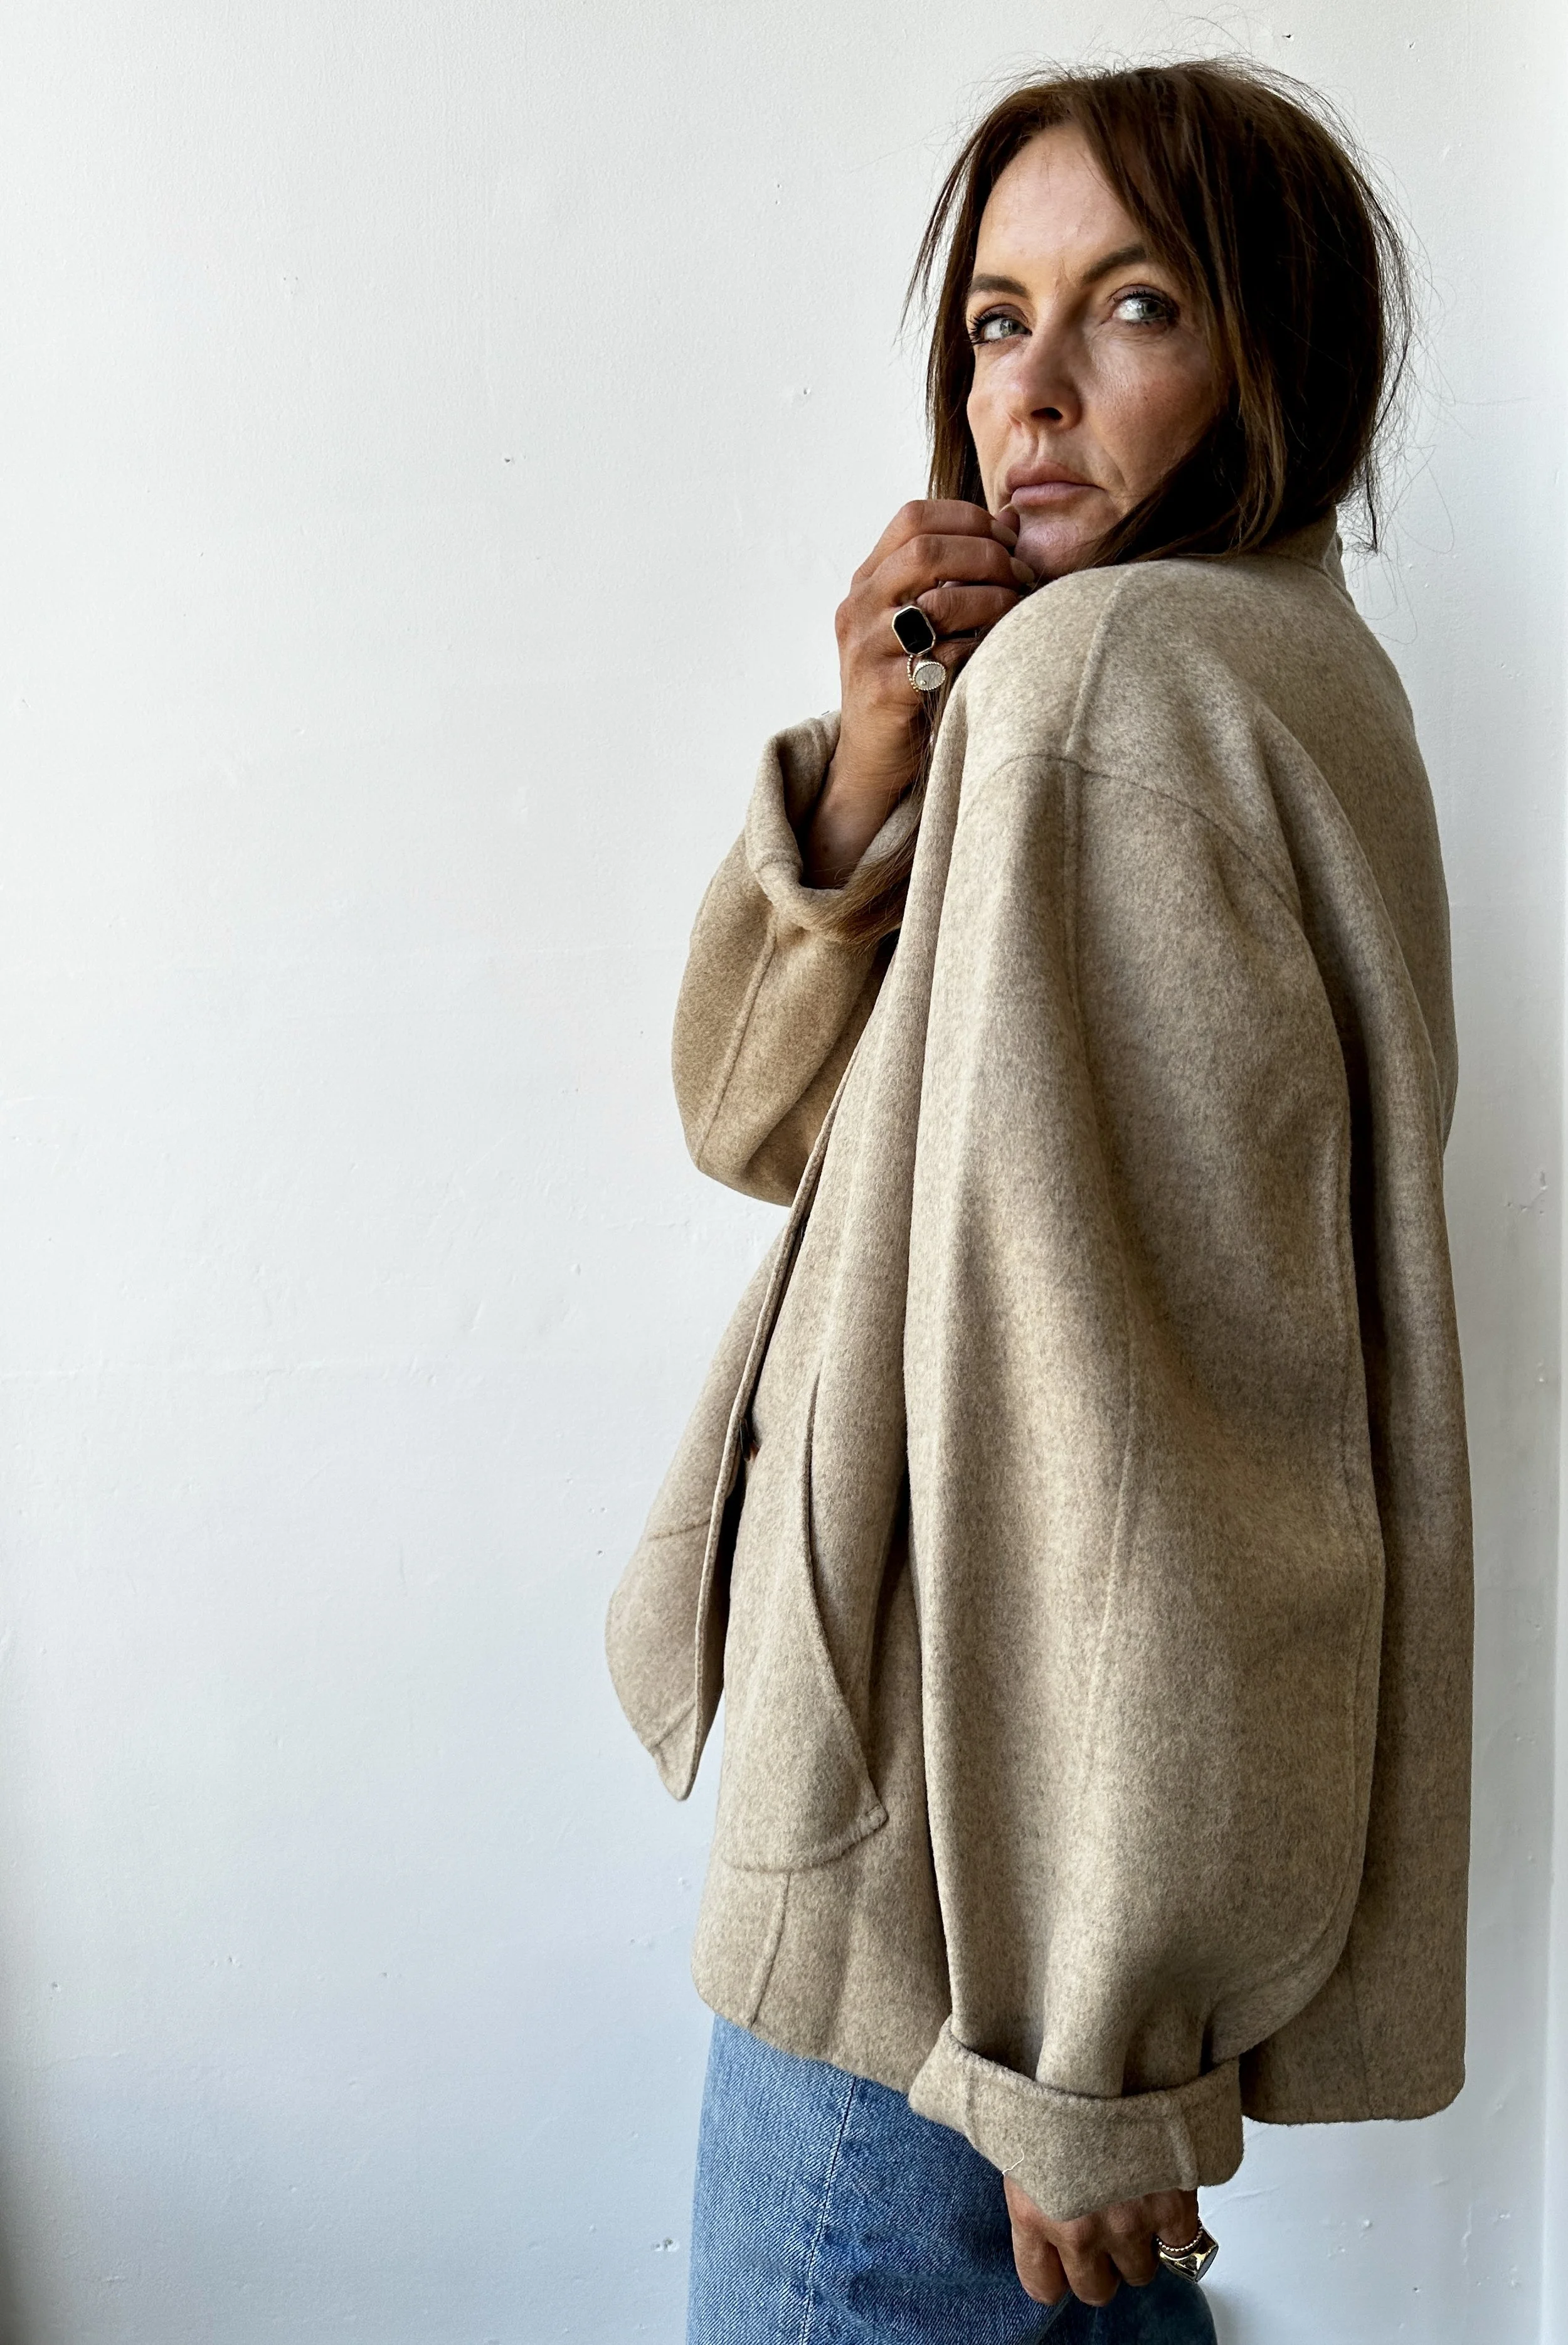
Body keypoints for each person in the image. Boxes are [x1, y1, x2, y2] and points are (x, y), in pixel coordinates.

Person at [607, 58, 1471, 2343]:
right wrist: (874, 763)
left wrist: (1074, 2048)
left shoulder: (1111, 690)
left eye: (1134, 305)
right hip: (995, 1903)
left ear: (1271, 348)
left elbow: (1123, 1441)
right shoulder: (1242, 672)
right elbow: (762, 1127)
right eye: (995, 318)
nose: (1038, 391)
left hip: (934, 1923)